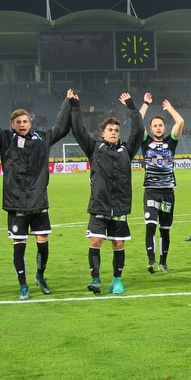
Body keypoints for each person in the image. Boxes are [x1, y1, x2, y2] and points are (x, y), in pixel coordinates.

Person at [0, 83, 72, 300]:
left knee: (43, 242)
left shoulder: (42, 139)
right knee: (19, 245)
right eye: (18, 122)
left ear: (30, 123)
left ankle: (40, 276)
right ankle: (23, 285)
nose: (22, 125)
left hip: (38, 200)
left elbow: (60, 126)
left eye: (25, 121)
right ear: (12, 125)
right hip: (16, 202)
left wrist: (68, 103)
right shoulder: (5, 141)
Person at [71, 92, 143, 295]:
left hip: (119, 206)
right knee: (96, 241)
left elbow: (139, 131)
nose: (114, 133)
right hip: (99, 205)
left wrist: (131, 107)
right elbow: (78, 131)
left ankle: (117, 281)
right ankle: (95, 279)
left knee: (118, 244)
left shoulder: (126, 151)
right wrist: (75, 106)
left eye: (117, 130)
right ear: (102, 133)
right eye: (110, 130)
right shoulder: (95, 149)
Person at [137, 92, 185, 274]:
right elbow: (136, 123)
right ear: (150, 129)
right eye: (154, 126)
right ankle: (151, 261)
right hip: (150, 191)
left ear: (165, 128)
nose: (158, 128)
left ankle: (163, 262)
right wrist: (145, 104)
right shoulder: (145, 143)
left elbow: (180, 123)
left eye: (160, 125)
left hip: (167, 193)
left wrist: (169, 108)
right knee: (150, 226)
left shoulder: (171, 143)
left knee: (165, 230)